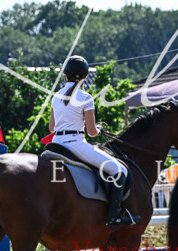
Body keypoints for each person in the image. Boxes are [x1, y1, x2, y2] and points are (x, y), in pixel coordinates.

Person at [48, 55, 138, 227]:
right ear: (85, 77)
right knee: (119, 170)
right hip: (75, 143)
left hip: (56, 143)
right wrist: (99, 129)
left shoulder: (56, 96)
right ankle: (114, 216)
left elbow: (52, 128)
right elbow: (91, 132)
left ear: (65, 75)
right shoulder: (85, 97)